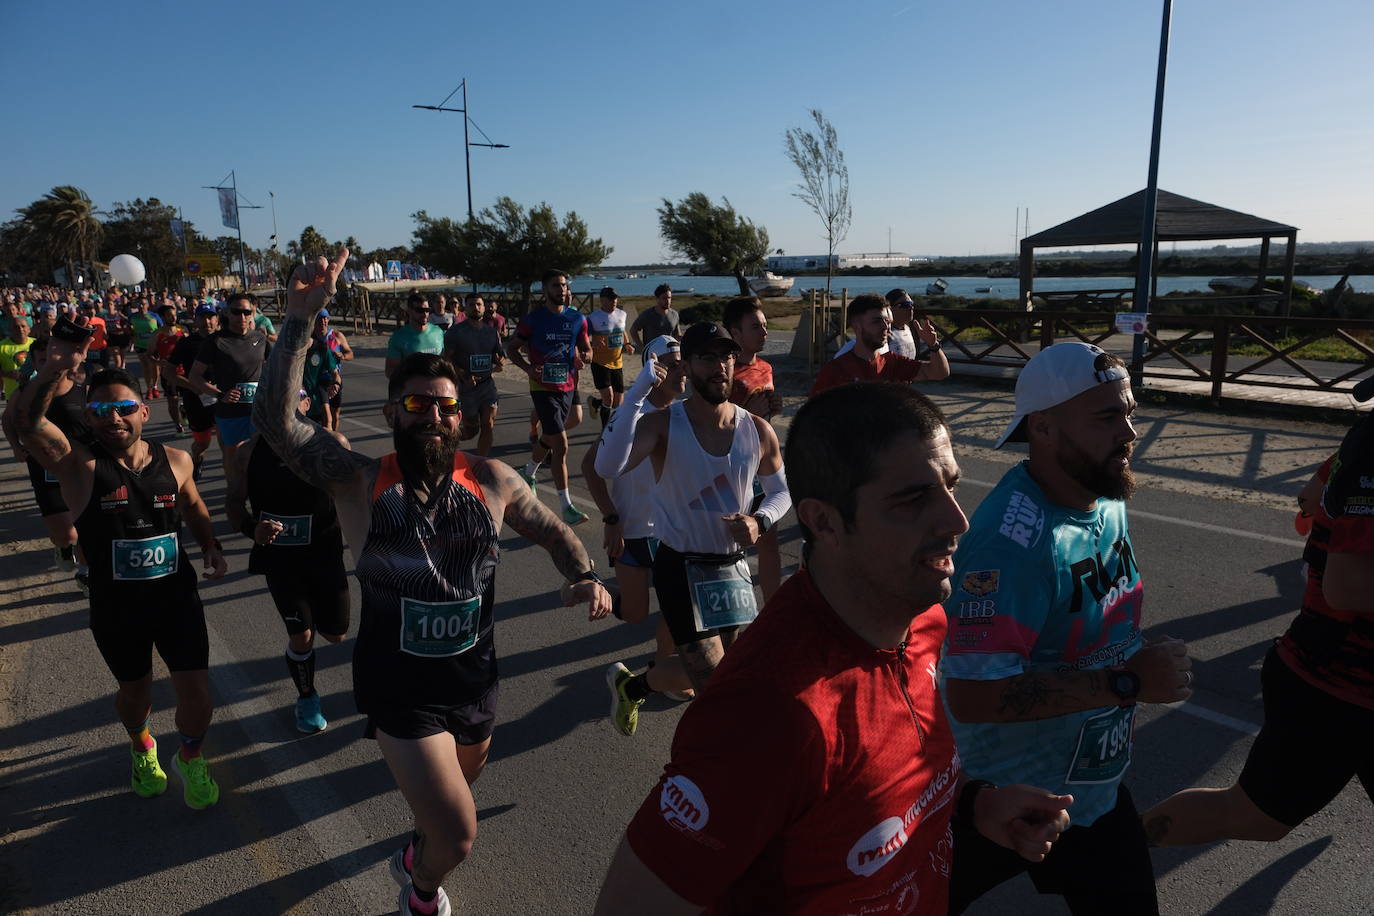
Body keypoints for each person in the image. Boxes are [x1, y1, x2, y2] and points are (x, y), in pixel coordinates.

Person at [594, 383, 1074, 915]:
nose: (957, 521)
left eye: (951, 488)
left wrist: (975, 803)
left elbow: (883, 775)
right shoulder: (769, 712)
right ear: (824, 521)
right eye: (913, 500)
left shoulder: (925, 619)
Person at [253, 250, 612, 916]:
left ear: (460, 417)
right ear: (393, 413)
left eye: (445, 407)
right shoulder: (359, 482)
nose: (434, 416)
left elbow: (553, 530)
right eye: (417, 404)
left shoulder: (496, 482)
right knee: (459, 832)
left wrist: (584, 576)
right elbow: (279, 426)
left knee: (448, 807)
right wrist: (298, 323)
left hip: (474, 683)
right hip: (398, 687)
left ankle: (423, 848)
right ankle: (420, 892)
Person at [939, 342, 1192, 915]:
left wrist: (1133, 660)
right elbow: (973, 694)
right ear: (1044, 429)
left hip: (1091, 796)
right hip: (1003, 801)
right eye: (1106, 417)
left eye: (1128, 412)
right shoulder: (1011, 546)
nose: (1129, 433)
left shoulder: (1104, 494)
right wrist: (1128, 683)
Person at [1140, 375, 1374, 854]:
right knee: (1252, 816)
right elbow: (1348, 585)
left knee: (1254, 816)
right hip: (1335, 688)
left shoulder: (1363, 442)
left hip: (1338, 678)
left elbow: (1309, 497)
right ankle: (1103, 855)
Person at [14, 333, 228, 810]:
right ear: (87, 418)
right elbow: (27, 423)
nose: (113, 418)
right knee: (136, 692)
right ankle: (142, 746)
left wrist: (210, 545)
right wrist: (53, 368)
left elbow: (193, 506)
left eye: (124, 407)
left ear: (143, 411)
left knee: (196, 688)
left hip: (176, 598)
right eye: (100, 411)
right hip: (116, 606)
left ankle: (190, 755)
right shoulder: (79, 467)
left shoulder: (176, 460)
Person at [596, 323, 790, 736]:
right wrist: (636, 395)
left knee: (724, 671)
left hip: (731, 569)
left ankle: (633, 684)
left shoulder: (756, 430)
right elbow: (607, 466)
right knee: (716, 688)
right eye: (706, 357)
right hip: (680, 566)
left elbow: (780, 492)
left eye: (726, 357)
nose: (719, 366)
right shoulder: (664, 424)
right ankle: (713, 777)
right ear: (687, 364)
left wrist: (760, 520)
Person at [226, 388, 351, 734]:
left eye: (292, 397)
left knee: (336, 634)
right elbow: (233, 504)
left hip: (325, 553)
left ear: (307, 404)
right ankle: (307, 696)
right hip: (280, 558)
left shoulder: (331, 442)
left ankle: (307, 649)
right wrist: (253, 528)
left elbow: (354, 496)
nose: (282, 405)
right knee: (302, 634)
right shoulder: (247, 452)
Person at [582, 335, 692, 705]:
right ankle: (599, 590)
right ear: (652, 369)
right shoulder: (631, 414)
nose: (680, 371)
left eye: (682, 363)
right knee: (634, 614)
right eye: (669, 364)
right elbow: (590, 467)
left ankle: (663, 669)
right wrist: (610, 517)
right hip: (630, 532)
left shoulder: (686, 414)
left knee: (679, 610)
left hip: (669, 536)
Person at [1, 334, 90, 592]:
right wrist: (17, 447)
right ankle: (62, 547)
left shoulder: (82, 386)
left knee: (86, 523)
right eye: (44, 359)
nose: (52, 362)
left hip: (81, 468)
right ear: (36, 363)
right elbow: (8, 421)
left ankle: (85, 572)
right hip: (46, 471)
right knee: (67, 534)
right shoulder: (25, 393)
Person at [505, 269, 593, 525]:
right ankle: (566, 507)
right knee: (561, 444)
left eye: (564, 285)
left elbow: (586, 349)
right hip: (542, 387)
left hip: (566, 385)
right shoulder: (533, 320)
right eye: (556, 286)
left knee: (553, 434)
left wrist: (585, 357)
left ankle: (528, 472)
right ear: (544, 291)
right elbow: (511, 348)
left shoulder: (578, 319)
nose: (561, 290)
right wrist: (528, 368)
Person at [723, 296, 786, 601]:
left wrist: (773, 408)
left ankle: (773, 609)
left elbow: (763, 418)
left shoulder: (766, 366)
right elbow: (713, 421)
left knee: (769, 542)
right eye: (755, 327)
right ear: (735, 334)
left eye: (764, 325)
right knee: (730, 547)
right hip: (730, 469)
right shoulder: (724, 371)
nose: (764, 332)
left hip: (762, 464)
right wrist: (746, 408)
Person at [189, 291, 269, 477]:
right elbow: (195, 376)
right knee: (233, 460)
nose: (242, 316)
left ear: (253, 313)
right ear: (227, 313)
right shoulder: (216, 341)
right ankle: (236, 496)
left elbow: (275, 369)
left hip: (258, 411)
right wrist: (219, 394)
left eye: (247, 312)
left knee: (260, 458)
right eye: (236, 312)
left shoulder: (260, 338)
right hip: (230, 413)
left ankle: (256, 495)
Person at [810, 293, 948, 396]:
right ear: (857, 327)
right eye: (877, 321)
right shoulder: (837, 369)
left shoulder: (892, 362)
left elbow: (939, 373)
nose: (885, 327)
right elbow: (814, 416)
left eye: (888, 322)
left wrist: (933, 346)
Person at [442, 295, 505, 457]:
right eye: (471, 305)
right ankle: (445, 441)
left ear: (484, 307)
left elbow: (499, 355)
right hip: (465, 386)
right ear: (466, 308)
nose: (476, 308)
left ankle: (481, 463)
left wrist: (500, 362)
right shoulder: (455, 332)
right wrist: (462, 373)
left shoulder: (492, 332)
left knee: (488, 423)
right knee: (471, 430)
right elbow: (446, 359)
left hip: (486, 385)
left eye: (479, 304)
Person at [166, 306, 221, 480]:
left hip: (223, 398)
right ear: (195, 321)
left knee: (227, 440)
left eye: (211, 317)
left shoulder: (225, 339)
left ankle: (234, 476)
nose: (207, 322)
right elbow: (168, 373)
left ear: (217, 320)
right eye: (203, 318)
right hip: (196, 399)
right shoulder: (186, 343)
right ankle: (196, 458)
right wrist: (193, 386)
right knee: (202, 442)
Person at [586, 286, 635, 429]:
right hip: (600, 362)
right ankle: (605, 431)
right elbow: (583, 337)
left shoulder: (622, 314)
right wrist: (591, 342)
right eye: (610, 298)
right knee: (609, 397)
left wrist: (627, 344)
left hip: (617, 362)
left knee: (618, 402)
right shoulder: (593, 318)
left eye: (615, 298)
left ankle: (596, 403)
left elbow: (622, 330)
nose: (614, 301)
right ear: (602, 300)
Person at [386, 292, 445, 378]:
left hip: (436, 389)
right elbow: (390, 371)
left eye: (427, 310)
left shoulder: (438, 332)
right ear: (409, 311)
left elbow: (444, 362)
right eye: (420, 310)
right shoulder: (398, 337)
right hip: (413, 390)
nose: (425, 314)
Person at [150, 304, 187, 433]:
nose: (173, 317)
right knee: (172, 402)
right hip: (168, 374)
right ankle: (177, 424)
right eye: (169, 315)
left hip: (185, 372)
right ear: (163, 317)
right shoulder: (158, 334)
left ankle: (184, 410)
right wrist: (159, 363)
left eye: (174, 314)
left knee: (189, 399)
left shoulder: (183, 331)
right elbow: (149, 355)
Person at [628, 284, 681, 362]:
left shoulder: (674, 314)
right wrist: (642, 347)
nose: (668, 301)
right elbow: (633, 330)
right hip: (652, 355)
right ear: (657, 299)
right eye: (664, 298)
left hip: (669, 355)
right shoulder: (647, 314)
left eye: (669, 298)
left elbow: (677, 334)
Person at [129, 298, 162, 398]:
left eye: (143, 304)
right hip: (140, 345)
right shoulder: (132, 317)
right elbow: (128, 328)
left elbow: (162, 327)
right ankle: (149, 389)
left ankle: (155, 386)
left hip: (154, 345)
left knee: (155, 367)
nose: (141, 306)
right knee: (146, 366)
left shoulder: (154, 316)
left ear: (147, 305)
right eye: (139, 304)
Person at [0, 315, 33, 400]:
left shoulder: (36, 344)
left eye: (23, 326)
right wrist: (7, 374)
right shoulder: (1, 346)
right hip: (13, 394)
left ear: (29, 329)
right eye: (16, 327)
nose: (20, 329)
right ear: (10, 330)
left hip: (36, 392)